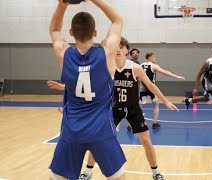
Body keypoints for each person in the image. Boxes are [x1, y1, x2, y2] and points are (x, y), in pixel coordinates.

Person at [48, 37, 179, 180]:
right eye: (116, 46)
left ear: (126, 50)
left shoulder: (134, 67)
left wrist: (165, 101)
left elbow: (150, 85)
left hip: (133, 109)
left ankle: (155, 171)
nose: (118, 49)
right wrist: (65, 87)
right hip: (113, 109)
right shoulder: (105, 67)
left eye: (121, 47)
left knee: (146, 141)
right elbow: (86, 83)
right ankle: (88, 171)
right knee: (97, 139)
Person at [48, 0, 126, 180]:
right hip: (101, 130)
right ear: (95, 33)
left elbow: (54, 30)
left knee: (57, 178)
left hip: (72, 130)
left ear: (71, 33)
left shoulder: (64, 54)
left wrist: (62, 4)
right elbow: (117, 20)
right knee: (118, 177)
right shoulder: (106, 53)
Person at [140, 52, 185, 128]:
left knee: (139, 107)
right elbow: (165, 72)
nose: (155, 58)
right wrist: (176, 76)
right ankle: (155, 123)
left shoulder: (140, 65)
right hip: (151, 88)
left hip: (142, 89)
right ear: (149, 57)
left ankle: (132, 124)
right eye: (154, 57)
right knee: (156, 105)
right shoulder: (154, 66)